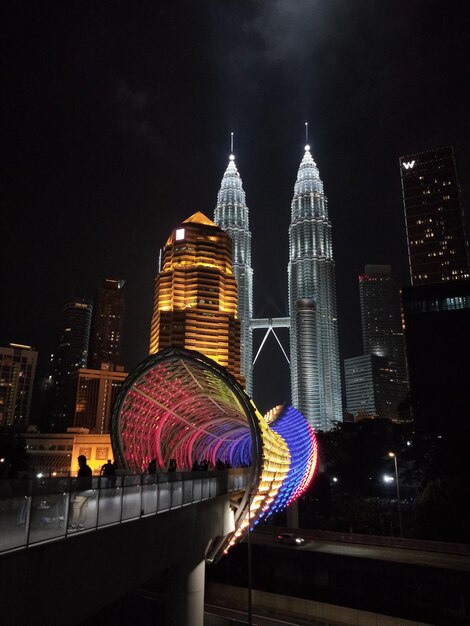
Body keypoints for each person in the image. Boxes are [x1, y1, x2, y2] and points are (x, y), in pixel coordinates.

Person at [68, 454, 92, 531]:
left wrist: (73, 487)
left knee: (76, 507)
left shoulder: (82, 469)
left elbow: (79, 481)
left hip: (82, 491)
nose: (78, 463)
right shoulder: (89, 469)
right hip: (88, 490)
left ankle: (73, 526)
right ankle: (81, 525)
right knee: (84, 508)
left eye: (79, 461)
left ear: (81, 461)